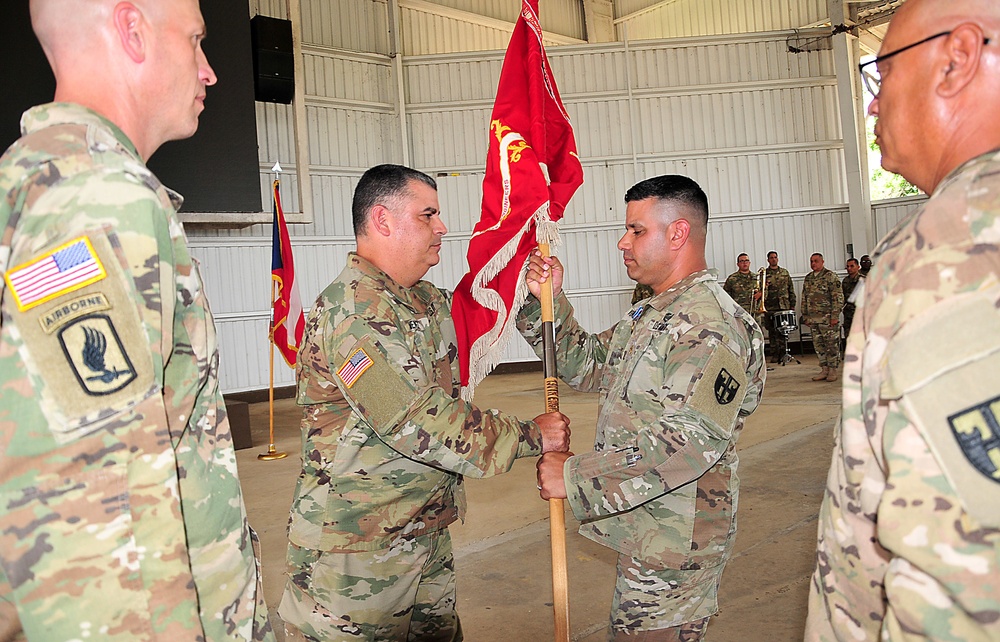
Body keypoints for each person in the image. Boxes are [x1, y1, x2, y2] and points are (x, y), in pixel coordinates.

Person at [0, 1, 274, 641]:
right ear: (132, 29)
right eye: (196, 41)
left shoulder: (39, 181)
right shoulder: (96, 197)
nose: (210, 72)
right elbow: (98, 513)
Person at [278, 164, 571, 642]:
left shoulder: (423, 302)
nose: (442, 228)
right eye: (428, 215)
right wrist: (531, 435)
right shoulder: (353, 313)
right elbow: (414, 419)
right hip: (358, 549)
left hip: (422, 529)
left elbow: (482, 310)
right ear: (383, 220)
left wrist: (533, 287)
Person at [807, 0, 1000, 639]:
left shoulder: (950, 249)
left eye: (881, 73)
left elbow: (960, 587)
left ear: (958, 59)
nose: (871, 103)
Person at [520, 175, 765, 640]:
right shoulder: (654, 313)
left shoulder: (708, 325)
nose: (622, 242)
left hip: (677, 540)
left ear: (677, 234)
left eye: (636, 230)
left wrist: (574, 476)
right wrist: (546, 303)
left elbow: (689, 444)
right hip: (648, 525)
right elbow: (589, 364)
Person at [799, 253, 844, 382]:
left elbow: (838, 297)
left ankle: (833, 370)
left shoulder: (830, 276)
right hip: (814, 319)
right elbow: (804, 298)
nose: (813, 263)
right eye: (811, 261)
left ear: (822, 262)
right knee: (819, 345)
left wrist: (835, 315)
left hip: (827, 318)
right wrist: (805, 315)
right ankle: (824, 369)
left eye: (816, 261)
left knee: (831, 345)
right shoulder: (808, 278)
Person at [762, 250, 796, 363]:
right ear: (768, 260)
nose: (773, 259)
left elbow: (790, 289)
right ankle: (774, 354)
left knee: (783, 331)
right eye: (771, 257)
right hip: (770, 307)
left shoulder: (784, 273)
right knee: (772, 331)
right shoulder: (764, 274)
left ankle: (783, 353)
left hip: (783, 306)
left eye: (775, 257)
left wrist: (792, 304)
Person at [840, 257, 862, 338]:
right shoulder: (845, 281)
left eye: (852, 266)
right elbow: (842, 297)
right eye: (847, 266)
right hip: (848, 314)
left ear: (858, 267)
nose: (849, 268)